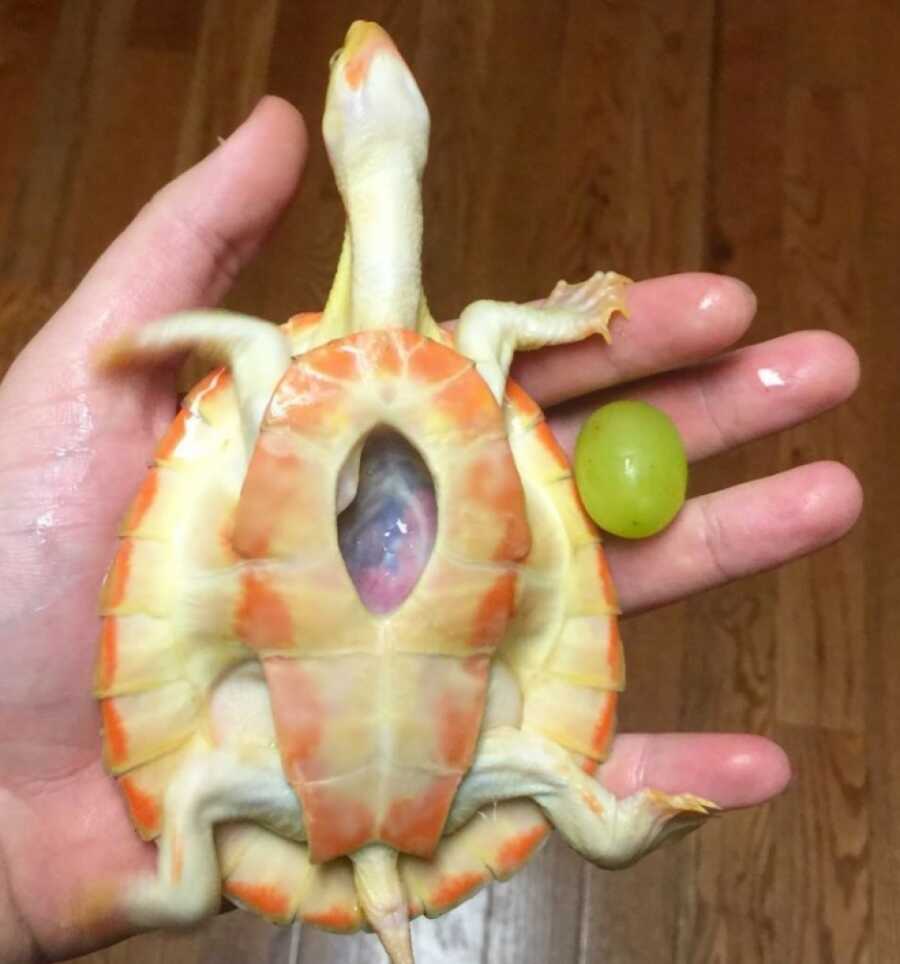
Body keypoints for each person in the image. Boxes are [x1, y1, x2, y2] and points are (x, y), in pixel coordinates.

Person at [0, 98, 862, 962]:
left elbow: (255, 358)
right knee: (557, 778)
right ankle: (609, 833)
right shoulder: (461, 362)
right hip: (434, 758)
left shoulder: (280, 387)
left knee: (205, 797)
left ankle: (600, 835)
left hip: (293, 757)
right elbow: (486, 334)